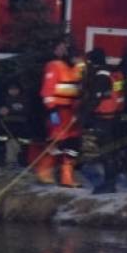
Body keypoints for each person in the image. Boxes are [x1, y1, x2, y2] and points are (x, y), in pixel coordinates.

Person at [34, 39, 82, 186]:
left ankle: (66, 177)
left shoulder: (77, 67)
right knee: (57, 142)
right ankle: (43, 172)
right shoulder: (54, 66)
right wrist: (52, 111)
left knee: (73, 144)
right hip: (58, 111)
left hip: (73, 111)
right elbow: (47, 91)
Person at [83, 47, 124, 193]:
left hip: (103, 119)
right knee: (111, 150)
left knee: (106, 152)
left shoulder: (101, 77)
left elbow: (95, 98)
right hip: (114, 116)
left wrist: (82, 115)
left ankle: (109, 183)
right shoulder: (112, 73)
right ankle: (111, 180)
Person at [0, 81, 33, 169]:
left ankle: (17, 161)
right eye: (11, 89)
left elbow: (27, 111)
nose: (13, 91)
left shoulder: (24, 99)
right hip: (6, 125)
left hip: (21, 126)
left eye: (15, 89)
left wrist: (11, 111)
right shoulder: (3, 99)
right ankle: (9, 161)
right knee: (9, 142)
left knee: (18, 143)